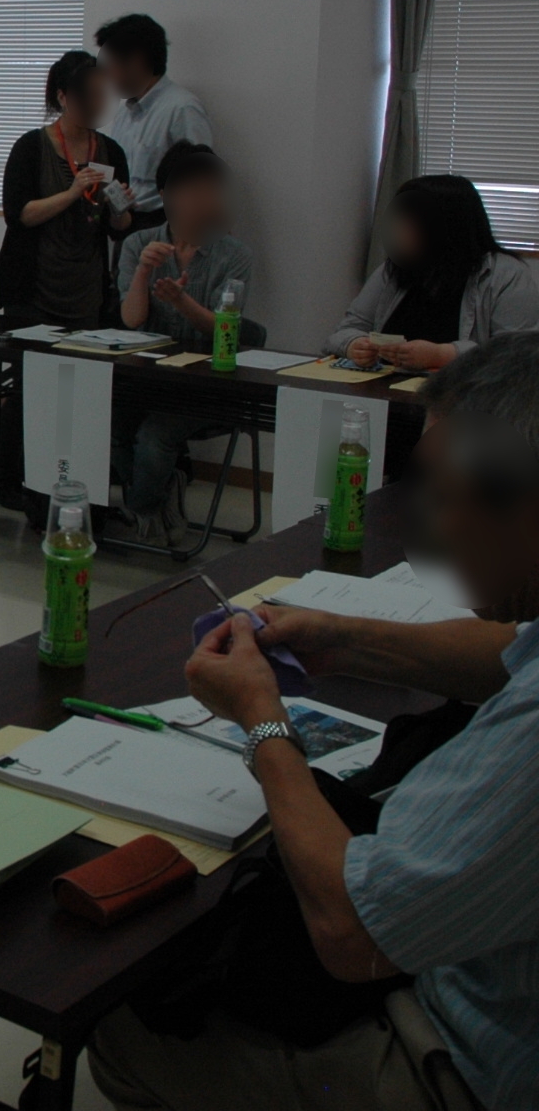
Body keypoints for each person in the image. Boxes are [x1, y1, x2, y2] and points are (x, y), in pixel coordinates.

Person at [91, 330, 539, 1111]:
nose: (433, 527)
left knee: (123, 1030)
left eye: (444, 497)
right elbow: (509, 654)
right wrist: (343, 639)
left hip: (462, 1064)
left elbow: (352, 935)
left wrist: (264, 725)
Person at [112, 143, 256, 545]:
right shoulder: (138, 244)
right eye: (191, 189)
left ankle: (142, 507)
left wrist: (181, 301)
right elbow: (131, 319)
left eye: (209, 189)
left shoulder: (235, 255)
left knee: (155, 436)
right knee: (107, 418)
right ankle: (158, 498)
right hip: (147, 376)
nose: (201, 199)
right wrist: (143, 272)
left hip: (207, 383)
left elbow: (226, 329)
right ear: (166, 195)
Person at [328, 175, 539, 371]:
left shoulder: (505, 275)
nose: (398, 231)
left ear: (444, 226)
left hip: (463, 393)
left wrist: (443, 355)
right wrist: (354, 344)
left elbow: (519, 354)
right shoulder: (392, 270)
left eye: (409, 223)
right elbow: (344, 331)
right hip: (381, 390)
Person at [0, 49, 137, 332]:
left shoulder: (111, 151)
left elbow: (120, 228)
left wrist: (120, 208)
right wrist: (72, 193)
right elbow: (19, 215)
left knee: (82, 359)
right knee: (30, 356)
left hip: (87, 290)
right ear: (63, 97)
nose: (96, 103)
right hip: (33, 288)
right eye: (88, 95)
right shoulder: (31, 148)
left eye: (101, 95)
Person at [95, 15, 211, 234]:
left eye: (111, 65)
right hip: (123, 223)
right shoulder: (124, 113)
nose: (107, 75)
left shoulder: (182, 109)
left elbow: (200, 182)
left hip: (164, 228)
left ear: (137, 62)